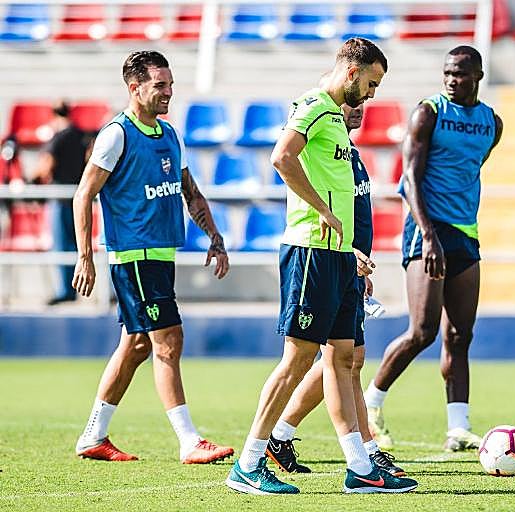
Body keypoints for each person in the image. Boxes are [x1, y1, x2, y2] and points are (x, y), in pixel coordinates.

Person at [225, 37, 417, 495]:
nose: (371, 94)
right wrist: (323, 211)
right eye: (371, 83)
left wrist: (350, 248)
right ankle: (248, 463)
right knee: (297, 360)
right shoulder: (313, 106)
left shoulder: (334, 117)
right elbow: (281, 157)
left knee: (345, 358)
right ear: (352, 72)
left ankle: (360, 466)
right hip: (311, 250)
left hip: (338, 255)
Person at [72, 51, 234, 464]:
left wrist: (214, 236)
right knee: (169, 340)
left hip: (160, 256)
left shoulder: (170, 135)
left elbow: (189, 191)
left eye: (171, 84)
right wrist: (85, 256)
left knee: (137, 345)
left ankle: (94, 435)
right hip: (135, 256)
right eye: (160, 85)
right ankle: (189, 440)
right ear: (135, 87)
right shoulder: (117, 135)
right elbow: (83, 194)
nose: (169, 92)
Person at [364, 45, 503, 452]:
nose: (451, 80)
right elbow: (409, 179)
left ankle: (458, 427)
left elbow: (468, 170)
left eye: (460, 73)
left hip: (466, 233)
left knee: (460, 335)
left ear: (478, 76)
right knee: (422, 331)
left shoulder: (492, 123)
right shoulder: (428, 113)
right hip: (427, 231)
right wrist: (428, 235)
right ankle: (371, 403)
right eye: (447, 73)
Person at [264, 102, 406, 478]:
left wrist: (357, 264)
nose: (359, 109)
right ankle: (363, 454)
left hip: (348, 266)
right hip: (328, 258)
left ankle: (281, 436)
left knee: (345, 360)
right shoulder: (322, 149)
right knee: (336, 360)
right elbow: (313, 200)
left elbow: (355, 215)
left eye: (364, 103)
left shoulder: (352, 154)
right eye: (352, 102)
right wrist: (348, 254)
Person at [34, 101, 90, 305]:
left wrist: (32, 181)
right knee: (76, 245)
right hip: (78, 198)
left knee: (61, 245)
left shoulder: (57, 137)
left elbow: (46, 166)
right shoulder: (81, 135)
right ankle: (75, 288)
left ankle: (66, 290)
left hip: (59, 197)